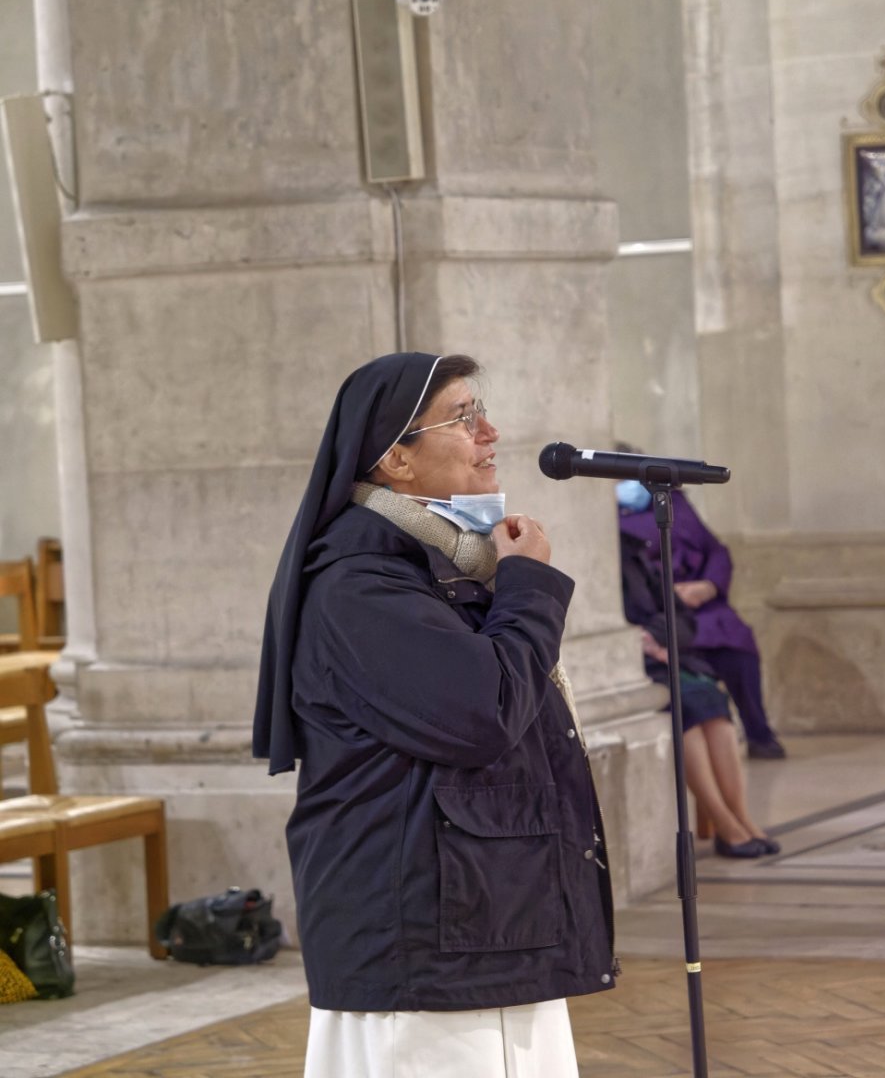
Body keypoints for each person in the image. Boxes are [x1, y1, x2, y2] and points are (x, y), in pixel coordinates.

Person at [254, 352, 617, 1078]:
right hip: (422, 944)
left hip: (485, 919)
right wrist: (530, 587)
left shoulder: (442, 560)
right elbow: (482, 715)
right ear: (395, 458)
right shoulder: (360, 582)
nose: (491, 430)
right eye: (461, 417)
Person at [619, 531, 780, 859]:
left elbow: (680, 615)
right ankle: (724, 823)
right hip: (633, 667)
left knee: (713, 701)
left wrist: (657, 635)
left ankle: (741, 816)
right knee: (687, 710)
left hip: (666, 655)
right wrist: (634, 642)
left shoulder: (631, 550)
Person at [615, 471, 786, 759]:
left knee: (738, 645)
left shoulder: (674, 503)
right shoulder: (612, 525)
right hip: (661, 612)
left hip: (706, 606)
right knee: (700, 689)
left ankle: (759, 733)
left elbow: (716, 550)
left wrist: (709, 586)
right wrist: (668, 593)